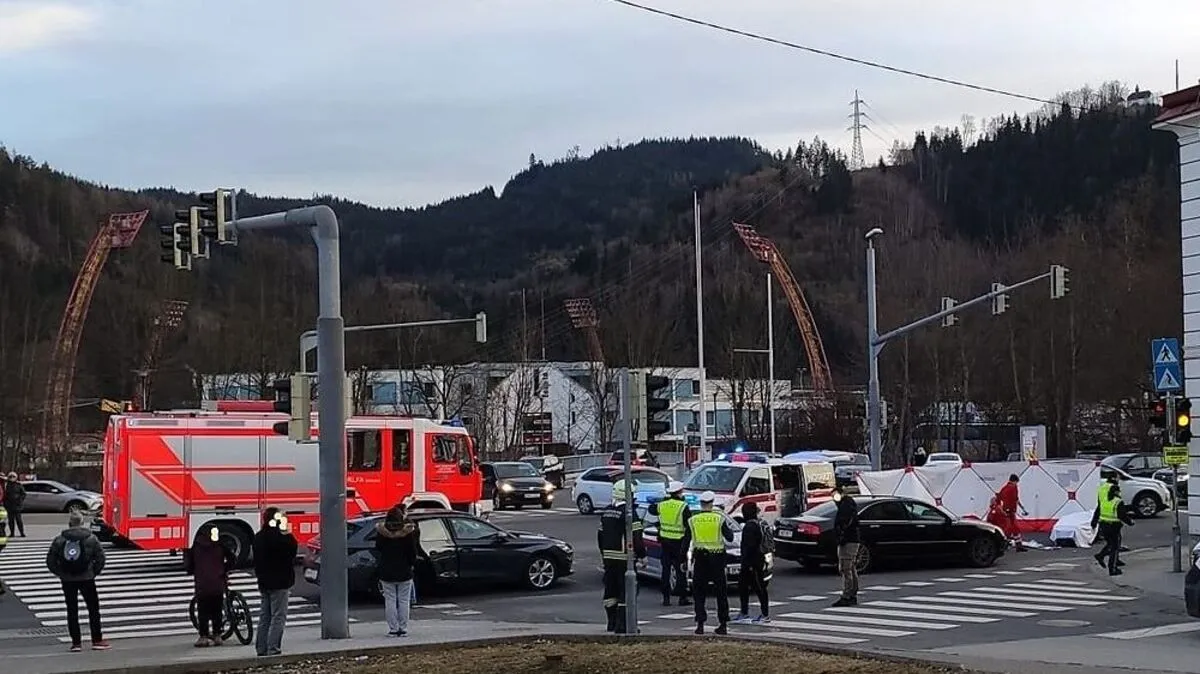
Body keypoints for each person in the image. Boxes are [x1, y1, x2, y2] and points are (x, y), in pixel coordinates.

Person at [46, 512, 109, 651]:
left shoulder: (60, 539)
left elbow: (50, 560)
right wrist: (93, 572)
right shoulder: (91, 538)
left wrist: (61, 573)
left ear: (70, 523)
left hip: (68, 580)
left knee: (72, 610)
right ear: (82, 523)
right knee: (93, 609)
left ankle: (76, 643)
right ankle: (97, 640)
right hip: (87, 578)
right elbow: (101, 558)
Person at [597, 478, 645, 634]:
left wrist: (604, 554)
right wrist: (642, 555)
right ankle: (623, 625)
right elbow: (636, 537)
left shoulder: (606, 513)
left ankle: (611, 623)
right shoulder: (629, 514)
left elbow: (600, 536)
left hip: (609, 558)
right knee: (627, 592)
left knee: (610, 591)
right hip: (624, 558)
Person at [684, 490, 733, 635]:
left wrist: (682, 560)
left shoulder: (693, 520)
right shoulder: (719, 519)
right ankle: (723, 624)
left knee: (699, 593)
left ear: (701, 504)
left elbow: (686, 542)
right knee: (721, 593)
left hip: (700, 559)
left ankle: (700, 625)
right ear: (712, 503)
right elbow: (730, 537)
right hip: (717, 559)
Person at [252, 507, 298, 657]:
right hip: (280, 582)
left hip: (264, 581)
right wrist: (287, 533)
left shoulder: (258, 537)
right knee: (278, 616)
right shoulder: (281, 539)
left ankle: (261, 648)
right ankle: (273, 648)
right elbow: (292, 550)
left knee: (265, 616)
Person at [185, 525, 235, 647]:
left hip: (202, 584)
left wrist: (193, 570)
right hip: (217, 582)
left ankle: (203, 637)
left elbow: (189, 565)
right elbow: (232, 558)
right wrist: (224, 569)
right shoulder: (220, 545)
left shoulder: (195, 546)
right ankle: (217, 635)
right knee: (217, 610)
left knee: (203, 611)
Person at [375, 504, 419, 637]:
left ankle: (393, 629)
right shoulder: (407, 533)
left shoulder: (382, 532)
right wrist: (411, 564)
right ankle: (403, 628)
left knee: (390, 600)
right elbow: (412, 552)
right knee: (404, 600)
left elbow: (378, 548)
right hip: (404, 570)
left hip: (386, 571)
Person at [645, 481, 691, 606]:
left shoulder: (662, 505)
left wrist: (662, 500)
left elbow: (651, 509)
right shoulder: (683, 506)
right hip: (679, 543)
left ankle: (666, 598)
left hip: (665, 543)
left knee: (665, 570)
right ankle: (682, 598)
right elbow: (688, 525)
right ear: (679, 492)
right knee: (680, 570)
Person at [734, 501, 771, 623]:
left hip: (751, 562)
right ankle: (746, 612)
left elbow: (749, 547)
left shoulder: (749, 527)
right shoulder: (757, 524)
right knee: (749, 587)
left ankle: (763, 614)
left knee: (756, 587)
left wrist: (746, 563)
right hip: (757, 560)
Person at [1092, 482, 1134, 575]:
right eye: (1119, 491)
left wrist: (1094, 522)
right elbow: (1122, 515)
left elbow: (1098, 511)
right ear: (1116, 492)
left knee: (1110, 544)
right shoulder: (1118, 502)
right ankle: (1112, 569)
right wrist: (1130, 522)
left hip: (1103, 525)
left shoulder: (1104, 500)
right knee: (1115, 547)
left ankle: (1100, 556)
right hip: (1114, 527)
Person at [831, 485, 860, 607]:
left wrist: (841, 534)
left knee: (846, 568)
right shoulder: (846, 504)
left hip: (848, 541)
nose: (834, 498)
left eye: (835, 495)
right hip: (849, 540)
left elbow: (845, 523)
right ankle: (852, 593)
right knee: (850, 568)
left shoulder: (846, 505)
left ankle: (847, 595)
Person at [995, 474, 1029, 552]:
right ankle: (1016, 545)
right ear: (1014, 481)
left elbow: (998, 499)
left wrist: (1002, 510)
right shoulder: (1013, 488)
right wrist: (1022, 508)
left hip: (1006, 511)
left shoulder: (1004, 488)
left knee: (1009, 528)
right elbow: (1016, 499)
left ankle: (1008, 544)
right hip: (1010, 511)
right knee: (1013, 528)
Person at [2, 473, 23, 538]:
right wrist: (5, 503)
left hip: (17, 506)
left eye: (13, 476)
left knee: (19, 520)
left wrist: (19, 500)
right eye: (10, 476)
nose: (12, 478)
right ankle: (12, 533)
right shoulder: (6, 485)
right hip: (9, 506)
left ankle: (22, 532)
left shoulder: (18, 485)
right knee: (11, 521)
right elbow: (4, 495)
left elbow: (23, 494)